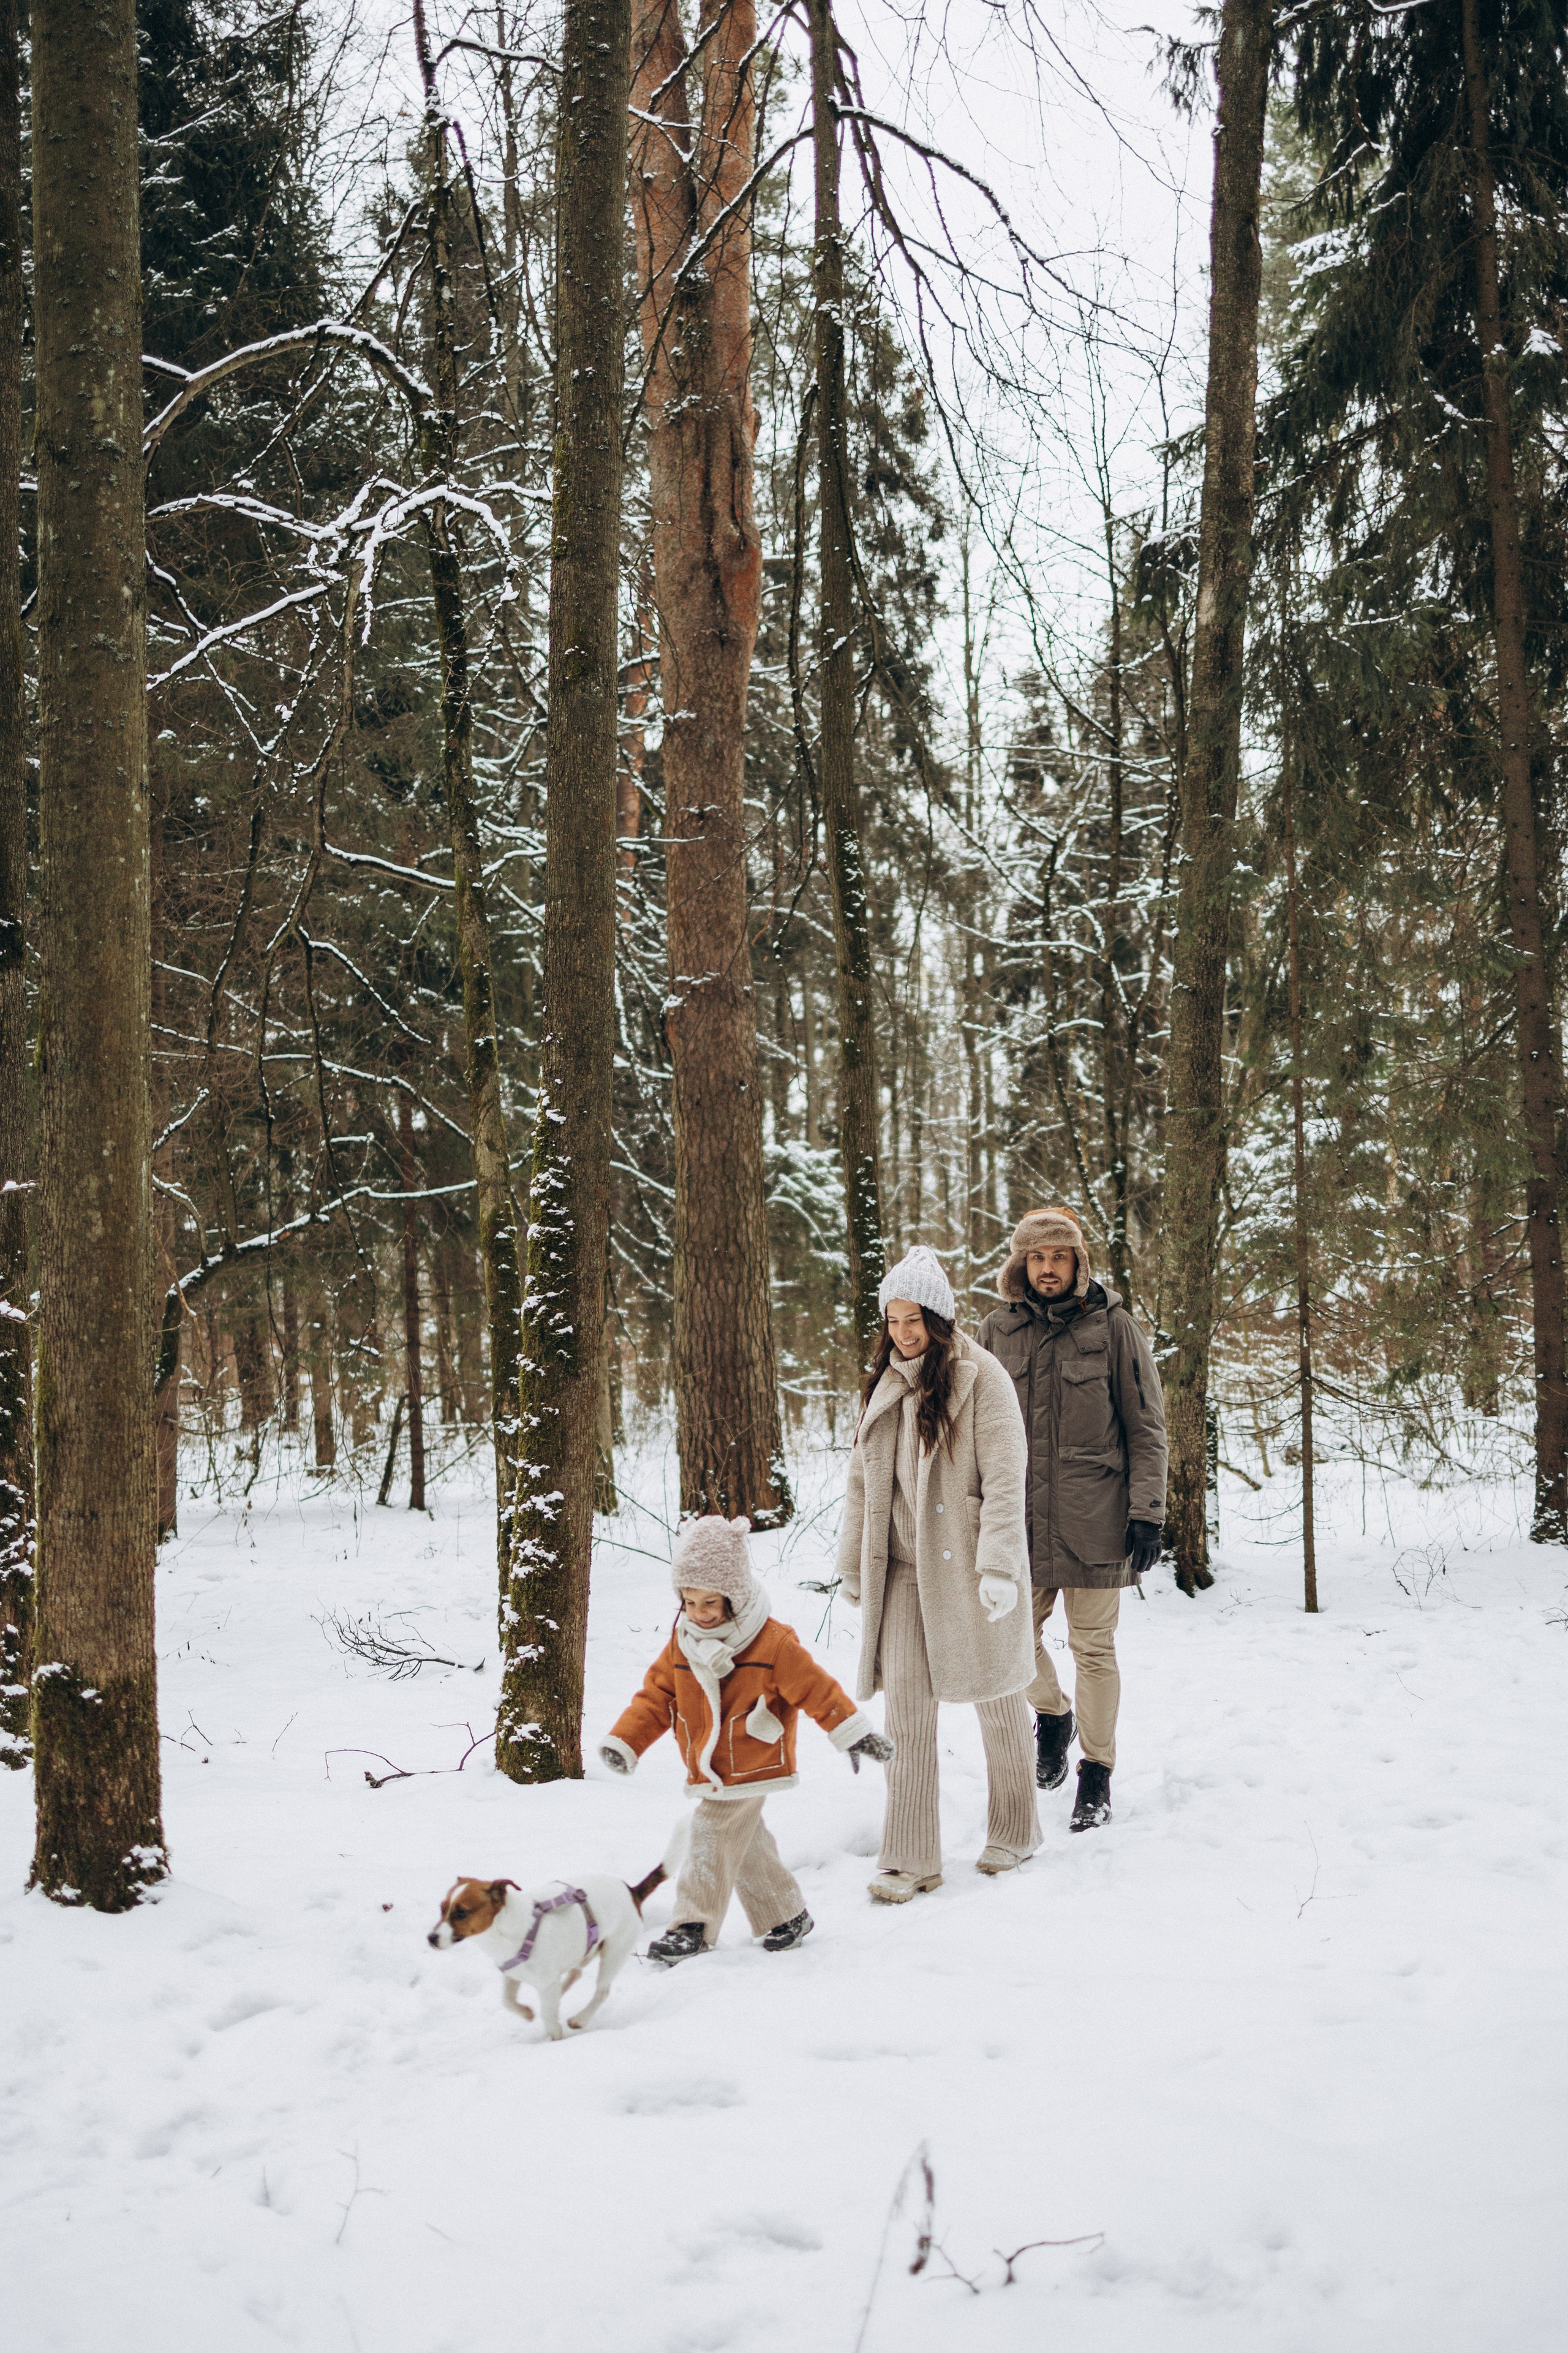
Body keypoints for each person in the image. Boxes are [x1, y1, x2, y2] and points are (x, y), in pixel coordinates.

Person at [836, 1245, 1039, 1903]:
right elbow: (861, 1482)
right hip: (900, 1570)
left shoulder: (984, 1379)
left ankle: (1016, 1825)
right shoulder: (884, 1383)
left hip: (969, 1565)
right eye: (892, 1319)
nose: (902, 1331)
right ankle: (910, 1855)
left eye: (913, 1317)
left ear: (939, 1316)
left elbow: (1007, 1479)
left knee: (996, 1694)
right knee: (907, 1714)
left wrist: (1001, 1565)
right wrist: (851, 1564)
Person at [598, 1514, 892, 1962]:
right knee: (745, 1838)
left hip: (754, 1755)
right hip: (710, 1761)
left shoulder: (771, 1642)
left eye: (710, 1602)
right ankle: (785, 1914)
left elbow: (815, 1687)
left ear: (734, 1596)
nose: (699, 1613)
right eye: (690, 1601)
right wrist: (627, 1741)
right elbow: (656, 1696)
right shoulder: (684, 1642)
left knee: (710, 1832)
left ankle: (691, 1925)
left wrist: (851, 1730)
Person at [977, 1207, 1167, 1832]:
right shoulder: (996, 1332)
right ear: (1020, 1265)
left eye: (1059, 1256)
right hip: (1019, 1523)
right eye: (1037, 1257)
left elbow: (1145, 1426)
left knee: (1094, 1649)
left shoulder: (1114, 1328)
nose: (1048, 1267)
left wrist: (1148, 1513)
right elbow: (972, 1431)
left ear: (1077, 1262)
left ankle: (1097, 1773)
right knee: (1008, 1639)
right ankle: (1053, 1714)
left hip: (1096, 1517)